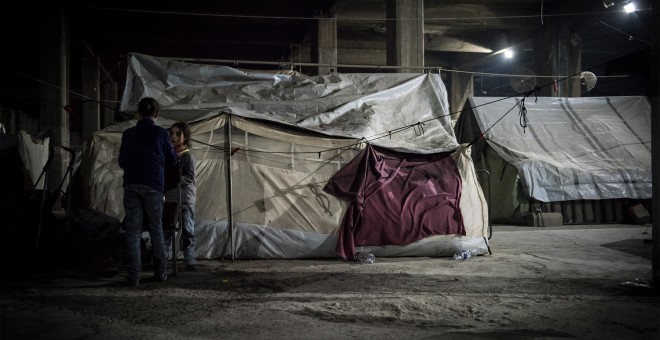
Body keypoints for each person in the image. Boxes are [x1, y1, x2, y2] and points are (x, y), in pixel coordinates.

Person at [118, 97, 178, 287]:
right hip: (153, 185)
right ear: (156, 115)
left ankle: (134, 276)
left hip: (132, 184)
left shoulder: (128, 134)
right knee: (156, 229)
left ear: (139, 113)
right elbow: (172, 160)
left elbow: (122, 162)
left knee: (133, 231)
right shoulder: (161, 134)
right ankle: (160, 273)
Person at [164, 122, 198, 271]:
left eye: (177, 134)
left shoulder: (187, 156)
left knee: (187, 230)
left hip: (185, 199)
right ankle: (162, 257)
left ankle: (189, 259)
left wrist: (173, 181)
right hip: (171, 199)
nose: (173, 136)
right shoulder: (169, 155)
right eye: (171, 133)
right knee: (167, 229)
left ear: (185, 136)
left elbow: (189, 177)